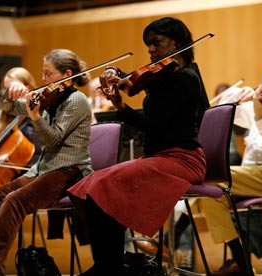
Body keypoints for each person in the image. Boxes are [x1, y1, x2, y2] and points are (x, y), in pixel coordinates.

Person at [137, 64, 262, 276]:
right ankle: (236, 258)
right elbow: (224, 109)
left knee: (212, 182)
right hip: (256, 174)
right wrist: (241, 94)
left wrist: (260, 116)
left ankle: (176, 241)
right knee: (210, 192)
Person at [66, 16, 210, 275]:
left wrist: (121, 106)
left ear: (176, 42)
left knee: (104, 186)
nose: (151, 50)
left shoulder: (185, 78)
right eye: (148, 45)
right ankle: (108, 264)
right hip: (162, 157)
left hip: (182, 160)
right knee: (88, 186)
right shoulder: (164, 76)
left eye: (157, 43)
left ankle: (108, 267)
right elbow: (139, 79)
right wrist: (115, 74)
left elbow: (153, 124)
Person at [0, 48, 93, 275]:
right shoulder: (49, 97)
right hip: (45, 169)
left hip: (69, 171)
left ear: (67, 74)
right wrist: (10, 92)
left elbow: (54, 138)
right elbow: (8, 108)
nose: (44, 79)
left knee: (14, 200)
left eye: (48, 74)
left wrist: (36, 115)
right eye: (43, 73)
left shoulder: (76, 101)